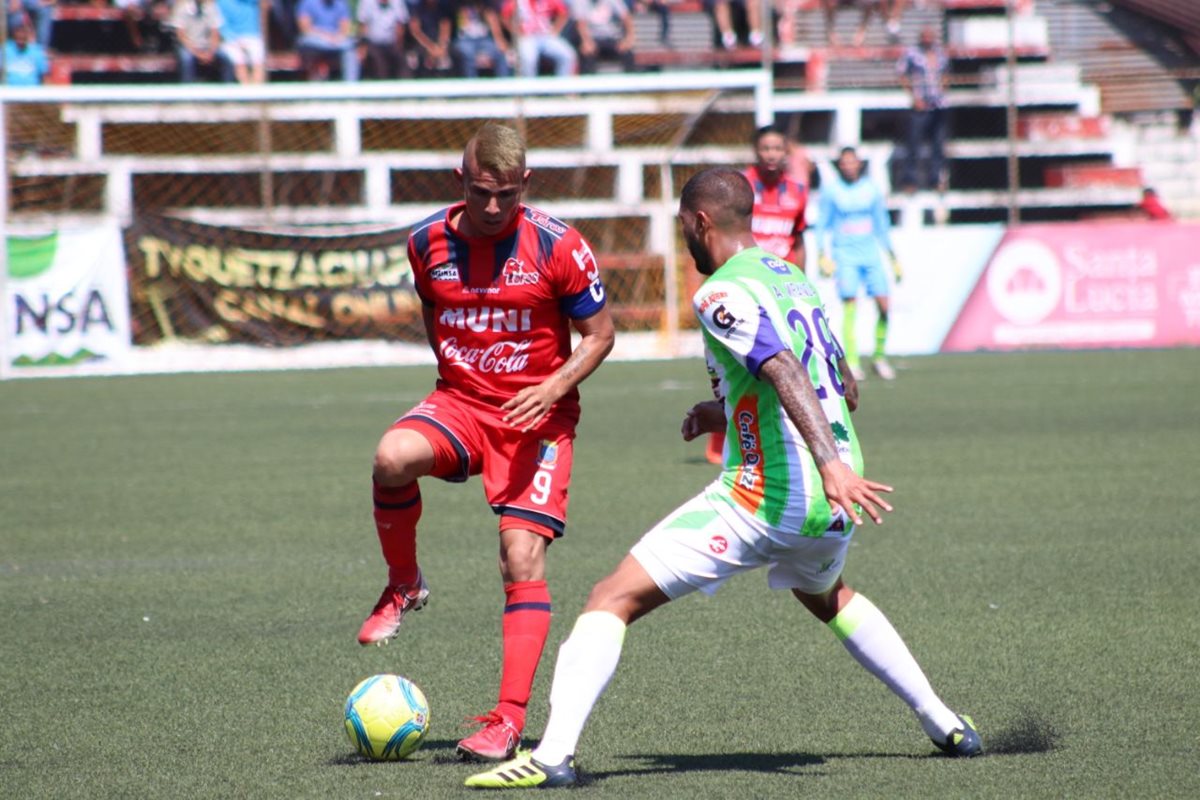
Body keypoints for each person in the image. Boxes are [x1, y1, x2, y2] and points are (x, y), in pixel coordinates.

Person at [463, 166, 981, 789]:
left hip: (774, 493)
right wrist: (729, 414)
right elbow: (842, 385)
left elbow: (785, 368)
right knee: (828, 596)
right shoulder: (792, 279)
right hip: (833, 503)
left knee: (610, 598)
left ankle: (551, 758)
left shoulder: (719, 294)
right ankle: (944, 722)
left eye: (683, 227)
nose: (684, 238)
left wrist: (826, 464)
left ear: (701, 222)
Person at [357, 122, 616, 762]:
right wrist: (458, 383)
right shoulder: (425, 244)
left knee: (520, 560)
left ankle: (507, 720)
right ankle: (403, 584)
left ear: (525, 183)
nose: (494, 207)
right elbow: (435, 316)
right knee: (391, 458)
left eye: (506, 194)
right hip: (462, 405)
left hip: (537, 420)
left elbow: (602, 334)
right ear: (460, 182)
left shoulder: (560, 246)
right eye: (480, 193)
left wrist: (553, 389)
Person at [704, 123, 812, 466]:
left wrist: (802, 281)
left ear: (786, 153)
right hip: (744, 286)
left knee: (784, 364)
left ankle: (786, 437)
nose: (771, 155)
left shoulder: (797, 191)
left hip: (777, 287)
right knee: (735, 366)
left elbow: (798, 239)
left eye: (778, 149)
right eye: (765, 148)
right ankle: (722, 438)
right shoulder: (740, 189)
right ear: (755, 151)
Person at [815, 146, 900, 382]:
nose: (849, 166)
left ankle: (879, 357)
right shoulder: (832, 192)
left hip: (870, 254)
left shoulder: (871, 189)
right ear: (839, 166)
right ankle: (852, 361)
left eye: (852, 162)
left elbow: (881, 224)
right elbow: (822, 224)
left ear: (859, 164)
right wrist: (822, 254)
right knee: (850, 305)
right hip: (845, 255)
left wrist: (893, 258)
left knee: (884, 305)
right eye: (844, 163)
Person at [896, 26, 949, 192]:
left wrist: (943, 89)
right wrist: (913, 96)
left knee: (938, 144)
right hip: (920, 104)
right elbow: (901, 74)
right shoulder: (912, 54)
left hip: (938, 104)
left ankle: (936, 178)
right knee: (913, 143)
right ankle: (910, 180)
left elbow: (946, 74)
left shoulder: (940, 55)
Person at [501, 0, 576, 77]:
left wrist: (555, 31)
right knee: (529, 58)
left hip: (546, 37)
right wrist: (517, 33)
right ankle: (529, 87)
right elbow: (505, 18)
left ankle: (562, 87)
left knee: (567, 55)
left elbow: (563, 13)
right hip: (527, 38)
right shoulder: (518, 2)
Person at [296, 0, 360, 81]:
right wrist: (325, 36)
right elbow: (305, 29)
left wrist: (337, 38)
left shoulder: (341, 3)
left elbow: (345, 29)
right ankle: (316, 82)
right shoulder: (307, 2)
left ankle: (351, 86)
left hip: (336, 42)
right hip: (314, 40)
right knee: (306, 42)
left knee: (350, 47)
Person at [570, 0, 636, 74]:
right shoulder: (581, 2)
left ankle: (630, 83)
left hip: (611, 38)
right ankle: (589, 84)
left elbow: (626, 17)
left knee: (627, 53)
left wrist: (628, 39)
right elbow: (580, 24)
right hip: (592, 38)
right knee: (586, 54)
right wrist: (586, 41)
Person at [169, 0, 228, 82]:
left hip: (207, 46)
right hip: (189, 46)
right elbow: (181, 35)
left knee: (226, 57)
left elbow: (215, 33)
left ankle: (227, 88)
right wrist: (198, 54)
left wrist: (211, 52)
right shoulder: (182, 8)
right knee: (187, 59)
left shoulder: (211, 8)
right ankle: (187, 88)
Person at [451, 0, 512, 78]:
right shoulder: (457, 3)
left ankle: (504, 86)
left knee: (499, 53)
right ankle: (472, 87)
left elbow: (493, 20)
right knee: (467, 53)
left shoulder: (486, 3)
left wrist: (499, 40)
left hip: (483, 40)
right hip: (463, 40)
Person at [357, 0, 409, 79]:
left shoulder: (398, 2)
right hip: (373, 43)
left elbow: (400, 26)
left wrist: (399, 45)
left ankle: (406, 88)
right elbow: (363, 27)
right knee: (380, 66)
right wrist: (362, 48)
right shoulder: (366, 2)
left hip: (392, 43)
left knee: (403, 63)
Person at [217, 0, 267, 83]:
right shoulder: (222, 2)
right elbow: (222, 26)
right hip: (231, 39)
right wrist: (235, 40)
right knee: (239, 60)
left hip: (253, 36)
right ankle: (246, 91)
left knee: (258, 58)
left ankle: (257, 92)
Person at [408, 0, 453, 77]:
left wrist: (441, 47)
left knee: (456, 54)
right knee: (417, 58)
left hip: (439, 44)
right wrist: (430, 47)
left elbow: (445, 27)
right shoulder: (417, 8)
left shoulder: (443, 7)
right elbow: (415, 31)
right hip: (423, 44)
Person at [4, 21, 49, 85]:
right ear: (14, 35)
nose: (21, 39)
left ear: (28, 36)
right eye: (19, 37)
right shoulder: (5, 50)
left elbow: (44, 75)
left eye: (23, 38)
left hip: (31, 91)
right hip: (9, 91)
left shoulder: (37, 51)